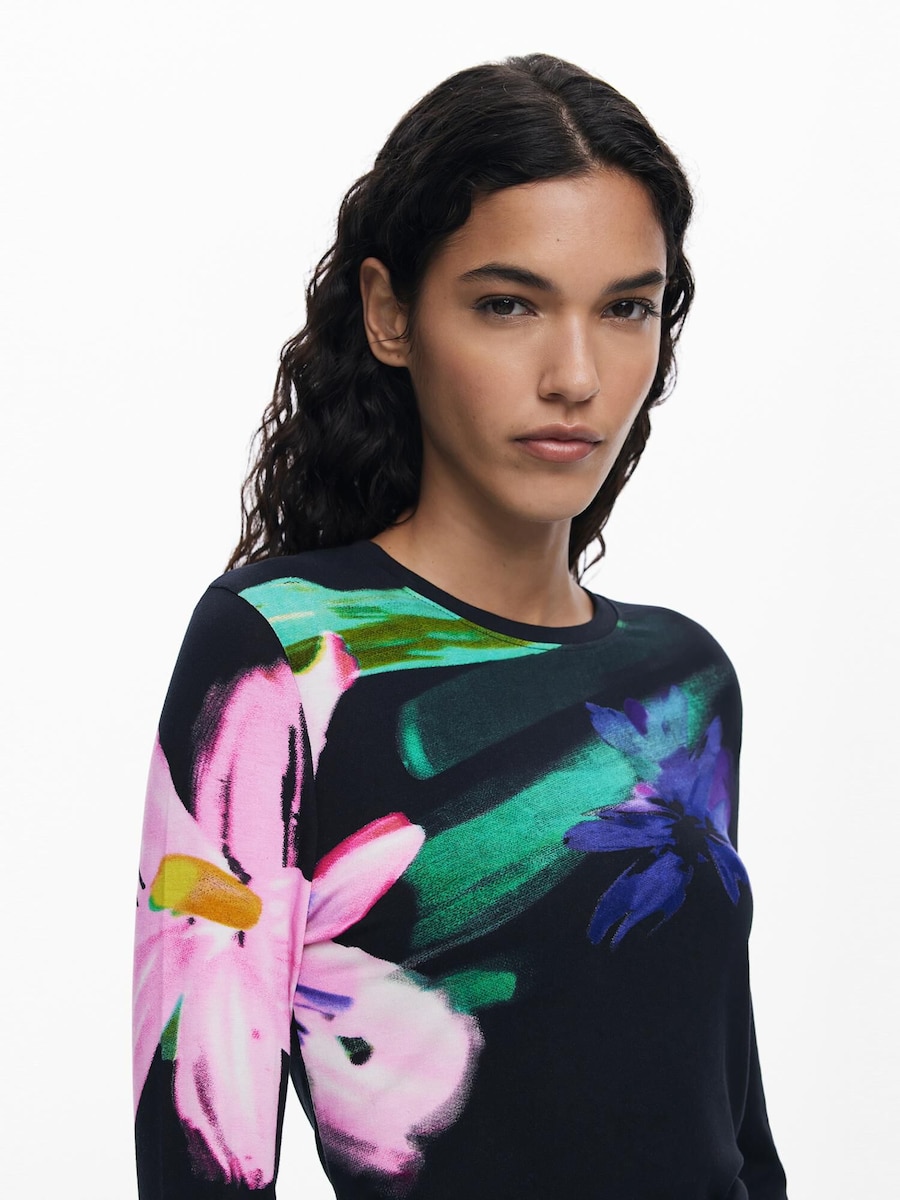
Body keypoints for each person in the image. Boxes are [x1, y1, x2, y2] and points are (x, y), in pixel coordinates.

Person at [133, 53, 788, 1200]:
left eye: (625, 307)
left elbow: (729, 1118)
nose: (576, 375)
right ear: (391, 314)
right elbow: (203, 1144)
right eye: (508, 304)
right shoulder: (284, 649)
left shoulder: (682, 680)